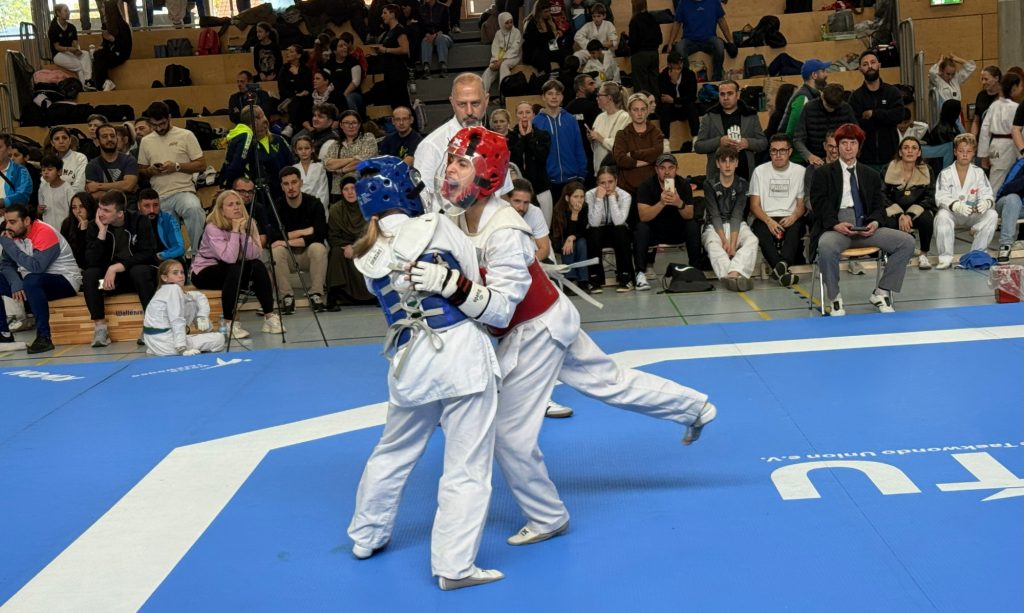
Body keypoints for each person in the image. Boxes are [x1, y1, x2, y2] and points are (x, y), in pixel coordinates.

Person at [424, 126, 716, 550]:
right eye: (451, 161)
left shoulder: (505, 230)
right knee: (610, 381)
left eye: (462, 164)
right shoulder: (460, 216)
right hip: (548, 316)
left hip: (535, 329)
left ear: (487, 174)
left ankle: (547, 516)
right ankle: (697, 407)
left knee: (508, 434)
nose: (451, 171)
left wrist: (452, 285)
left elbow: (502, 307)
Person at [346, 156, 504, 592]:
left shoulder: (365, 254)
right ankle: (454, 566)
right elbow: (473, 285)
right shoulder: (438, 225)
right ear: (406, 191)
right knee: (466, 466)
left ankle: (365, 536)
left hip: (410, 362)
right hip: (458, 355)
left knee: (392, 451)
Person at [810, 123, 916, 315]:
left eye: (853, 143)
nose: (848, 147)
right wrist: (835, 224)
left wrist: (875, 222)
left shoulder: (871, 175)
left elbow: (879, 206)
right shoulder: (822, 173)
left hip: (866, 227)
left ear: (859, 146)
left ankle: (882, 291)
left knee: (907, 242)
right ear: (837, 145)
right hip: (836, 228)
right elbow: (819, 206)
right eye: (844, 143)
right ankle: (834, 298)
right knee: (825, 246)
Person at [191, 190, 283, 339]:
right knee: (233, 268)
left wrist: (243, 232)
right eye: (230, 205)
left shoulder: (249, 222)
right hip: (205, 271)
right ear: (221, 209)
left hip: (233, 268)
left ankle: (270, 317)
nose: (236, 207)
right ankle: (229, 323)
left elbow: (253, 255)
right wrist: (235, 231)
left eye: (238, 203)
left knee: (258, 265)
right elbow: (228, 258)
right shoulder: (212, 227)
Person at [415, 73, 514, 203]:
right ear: (452, 103)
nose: (469, 111)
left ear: (486, 100)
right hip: (448, 220)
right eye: (462, 104)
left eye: (475, 103)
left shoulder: (494, 143)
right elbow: (422, 201)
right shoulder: (432, 146)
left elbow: (503, 194)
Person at [0, 204, 82, 353]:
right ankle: (3, 334)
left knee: (32, 279)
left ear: (26, 221)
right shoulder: (13, 235)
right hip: (34, 284)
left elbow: (37, 267)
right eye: (6, 221)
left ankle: (44, 338)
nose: (8, 226)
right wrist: (15, 282)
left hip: (65, 280)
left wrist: (9, 246)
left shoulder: (44, 232)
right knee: (20, 280)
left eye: (12, 222)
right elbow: (5, 264)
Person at [83, 190, 159, 347]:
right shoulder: (94, 226)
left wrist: (118, 266)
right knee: (91, 276)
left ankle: (150, 325)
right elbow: (91, 261)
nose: (101, 214)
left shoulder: (139, 221)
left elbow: (148, 253)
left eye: (106, 210)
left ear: (120, 213)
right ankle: (100, 328)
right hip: (110, 284)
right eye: (100, 208)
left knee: (140, 271)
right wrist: (102, 233)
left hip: (136, 280)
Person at [137, 103, 207, 259]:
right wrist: (151, 171)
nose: (159, 128)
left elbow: (202, 164)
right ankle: (176, 263)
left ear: (169, 118)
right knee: (167, 233)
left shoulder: (186, 135)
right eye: (154, 125)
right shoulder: (146, 141)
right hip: (160, 195)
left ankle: (199, 255)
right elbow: (141, 170)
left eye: (162, 123)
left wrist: (176, 166)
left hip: (183, 190)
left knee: (194, 208)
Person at [633, 153, 704, 286]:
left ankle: (696, 270)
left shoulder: (683, 185)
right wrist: (661, 203)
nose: (667, 172)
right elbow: (643, 216)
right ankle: (640, 273)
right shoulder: (646, 186)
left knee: (693, 225)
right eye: (662, 168)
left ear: (676, 169)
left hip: (677, 230)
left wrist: (679, 203)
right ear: (656, 169)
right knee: (641, 228)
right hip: (655, 231)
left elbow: (689, 214)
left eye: (671, 168)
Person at [933, 133, 998, 269]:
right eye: (961, 151)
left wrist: (986, 203)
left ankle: (976, 254)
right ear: (955, 152)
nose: (964, 154)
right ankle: (945, 258)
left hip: (972, 214)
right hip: (953, 213)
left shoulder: (978, 173)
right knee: (941, 216)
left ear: (974, 153)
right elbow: (940, 196)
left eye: (968, 151)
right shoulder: (945, 173)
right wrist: (955, 205)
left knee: (992, 215)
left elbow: (988, 194)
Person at [749, 134, 806, 286]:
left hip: (791, 215)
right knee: (761, 232)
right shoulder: (759, 171)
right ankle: (782, 270)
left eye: (782, 150)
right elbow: (754, 205)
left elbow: (801, 204)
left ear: (790, 152)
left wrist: (793, 217)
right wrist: (768, 221)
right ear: (770, 152)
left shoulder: (800, 171)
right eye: (774, 151)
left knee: (795, 230)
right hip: (766, 215)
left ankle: (780, 267)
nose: (778, 155)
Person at [269, 167, 329, 313]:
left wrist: (285, 240)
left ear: (301, 183)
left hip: (307, 254)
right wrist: (305, 232)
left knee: (318, 248)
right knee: (275, 250)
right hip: (288, 256)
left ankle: (316, 294)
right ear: (282, 187)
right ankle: (287, 297)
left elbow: (320, 234)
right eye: (286, 184)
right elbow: (272, 236)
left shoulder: (314, 203)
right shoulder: (276, 206)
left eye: (294, 182)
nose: (291, 187)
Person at [142, 260, 224, 357]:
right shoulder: (173, 289)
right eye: (175, 273)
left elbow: (199, 296)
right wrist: (182, 348)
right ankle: (205, 335)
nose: (181, 276)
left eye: (182, 272)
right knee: (219, 338)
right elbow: (177, 320)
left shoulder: (163, 291)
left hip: (153, 344)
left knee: (193, 301)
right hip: (168, 345)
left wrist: (202, 316)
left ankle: (207, 332)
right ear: (164, 277)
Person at [703, 145, 757, 291]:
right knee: (714, 245)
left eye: (731, 160)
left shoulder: (742, 184)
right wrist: (724, 240)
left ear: (737, 163)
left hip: (737, 224)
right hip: (714, 226)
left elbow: (737, 215)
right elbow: (714, 215)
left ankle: (732, 274)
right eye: (723, 161)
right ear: (717, 163)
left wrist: (732, 244)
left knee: (752, 240)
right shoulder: (709, 184)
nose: (727, 165)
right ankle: (735, 277)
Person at [534, 80, 588, 223]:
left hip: (572, 179)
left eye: (557, 94)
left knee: (573, 222)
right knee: (552, 223)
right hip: (549, 181)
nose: (554, 97)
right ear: (543, 97)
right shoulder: (536, 122)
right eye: (550, 94)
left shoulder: (570, 119)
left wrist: (581, 174)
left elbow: (579, 147)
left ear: (562, 97)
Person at [848, 50, 910, 173]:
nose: (870, 66)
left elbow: (899, 115)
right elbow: (854, 125)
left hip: (891, 158)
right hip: (865, 159)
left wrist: (874, 114)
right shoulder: (856, 97)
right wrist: (885, 118)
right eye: (865, 64)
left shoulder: (892, 92)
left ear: (879, 65)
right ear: (860, 69)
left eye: (873, 62)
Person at [694, 81, 768, 182]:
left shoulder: (751, 116)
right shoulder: (709, 117)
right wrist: (719, 141)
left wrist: (747, 143)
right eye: (722, 94)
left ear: (737, 95)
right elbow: (698, 146)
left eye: (730, 93)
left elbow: (763, 143)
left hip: (746, 175)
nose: (725, 98)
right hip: (717, 178)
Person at [220, 105, 296, 204]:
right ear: (252, 124)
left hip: (283, 194)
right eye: (261, 120)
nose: (265, 124)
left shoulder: (279, 140)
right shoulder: (245, 143)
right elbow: (234, 168)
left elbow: (292, 164)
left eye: (265, 122)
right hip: (256, 198)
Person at [881, 136, 936, 270]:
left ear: (919, 152)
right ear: (900, 152)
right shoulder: (888, 168)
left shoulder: (927, 170)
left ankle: (923, 255)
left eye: (914, 148)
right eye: (906, 148)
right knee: (888, 221)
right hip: (894, 211)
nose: (910, 151)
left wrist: (909, 215)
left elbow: (929, 197)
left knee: (927, 219)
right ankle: (893, 255)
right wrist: (900, 214)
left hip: (916, 212)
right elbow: (882, 196)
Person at [326, 176, 375, 308]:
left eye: (353, 188)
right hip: (345, 246)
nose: (350, 192)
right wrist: (347, 246)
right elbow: (332, 236)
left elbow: (374, 233)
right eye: (346, 189)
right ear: (341, 192)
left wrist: (358, 247)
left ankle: (375, 294)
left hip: (366, 244)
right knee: (336, 252)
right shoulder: (336, 210)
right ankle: (335, 296)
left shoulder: (368, 207)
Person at [584, 166, 633, 292]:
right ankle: (595, 280)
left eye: (610, 182)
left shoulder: (625, 195)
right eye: (602, 183)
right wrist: (599, 198)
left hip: (617, 232)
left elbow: (618, 221)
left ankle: (625, 278)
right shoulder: (589, 194)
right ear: (597, 183)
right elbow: (594, 223)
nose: (607, 186)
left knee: (621, 230)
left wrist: (612, 198)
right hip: (598, 233)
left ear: (616, 181)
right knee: (593, 232)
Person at [612, 93, 665, 198]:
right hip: (627, 189)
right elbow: (620, 159)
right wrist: (648, 160)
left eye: (643, 109)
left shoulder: (656, 132)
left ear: (647, 111)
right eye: (635, 110)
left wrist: (632, 154)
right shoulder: (622, 134)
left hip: (652, 188)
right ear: (629, 112)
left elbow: (657, 153)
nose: (639, 113)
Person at [665, 0, 732, 82]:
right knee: (679, 47)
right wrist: (670, 43)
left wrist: (730, 41)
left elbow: (721, 20)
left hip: (709, 39)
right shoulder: (683, 3)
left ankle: (717, 77)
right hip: (690, 40)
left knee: (719, 45)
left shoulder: (714, 2)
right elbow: (677, 23)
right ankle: (688, 78)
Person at [793, 84, 858, 167]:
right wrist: (809, 156)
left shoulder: (846, 109)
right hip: (816, 161)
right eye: (828, 105)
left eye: (834, 107)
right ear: (822, 96)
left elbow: (856, 136)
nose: (830, 109)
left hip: (842, 161)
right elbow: (798, 139)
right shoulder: (809, 108)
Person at [978, 73, 1022, 194]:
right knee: (1001, 181)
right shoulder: (1016, 107)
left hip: (996, 144)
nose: (1021, 89)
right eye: (1020, 86)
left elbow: (984, 131)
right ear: (1014, 88)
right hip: (1010, 145)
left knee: (997, 178)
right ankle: (991, 209)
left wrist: (984, 155)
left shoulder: (994, 106)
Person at [508, 102, 554, 216]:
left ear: (533, 115)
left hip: (541, 188)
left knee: (544, 226)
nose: (524, 116)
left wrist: (528, 138)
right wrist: (523, 139)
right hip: (519, 192)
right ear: (516, 116)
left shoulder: (543, 135)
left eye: (528, 112)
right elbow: (513, 158)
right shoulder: (510, 137)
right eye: (520, 113)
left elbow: (542, 157)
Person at [781, 58, 831, 163]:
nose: (827, 74)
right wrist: (804, 156)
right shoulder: (803, 97)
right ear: (814, 75)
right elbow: (792, 131)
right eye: (823, 71)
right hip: (800, 159)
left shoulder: (812, 95)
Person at [323, 111, 379, 198]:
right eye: (346, 123)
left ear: (359, 124)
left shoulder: (368, 138)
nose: (350, 126)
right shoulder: (335, 144)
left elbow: (362, 162)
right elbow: (328, 165)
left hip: (364, 189)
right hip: (339, 191)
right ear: (341, 125)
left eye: (354, 122)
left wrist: (341, 170)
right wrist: (352, 159)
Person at [366, 5, 411, 111]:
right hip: (390, 72)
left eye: (385, 13)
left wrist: (386, 50)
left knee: (402, 103)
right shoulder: (388, 32)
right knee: (395, 104)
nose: (382, 16)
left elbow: (405, 49)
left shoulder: (399, 30)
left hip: (398, 72)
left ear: (393, 14)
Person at [85, 123, 139, 206]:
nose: (110, 139)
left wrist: (99, 186)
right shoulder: (92, 165)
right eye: (105, 136)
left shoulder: (129, 160)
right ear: (98, 141)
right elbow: (93, 193)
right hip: (104, 209)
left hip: (128, 209)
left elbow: (128, 185)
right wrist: (122, 188)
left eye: (113, 136)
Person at [550, 180, 589, 290]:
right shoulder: (559, 210)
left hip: (577, 239)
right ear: (567, 198)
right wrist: (575, 214)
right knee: (570, 244)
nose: (579, 200)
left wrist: (572, 237)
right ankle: (569, 279)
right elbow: (562, 234)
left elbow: (584, 230)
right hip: (561, 241)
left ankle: (583, 280)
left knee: (581, 242)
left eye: (582, 196)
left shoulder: (585, 207)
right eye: (575, 196)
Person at [657, 52, 699, 147]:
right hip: (671, 110)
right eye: (676, 63)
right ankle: (665, 140)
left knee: (691, 106)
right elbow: (663, 98)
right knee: (665, 108)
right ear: (669, 64)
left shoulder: (689, 74)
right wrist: (673, 83)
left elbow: (691, 96)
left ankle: (696, 138)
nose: (679, 65)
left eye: (680, 62)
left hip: (685, 108)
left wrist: (674, 100)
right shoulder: (663, 76)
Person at [89, 0, 132, 93]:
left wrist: (113, 39)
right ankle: (104, 82)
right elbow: (105, 43)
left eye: (103, 7)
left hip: (121, 53)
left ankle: (100, 85)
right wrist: (102, 46)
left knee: (100, 57)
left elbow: (126, 45)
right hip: (111, 51)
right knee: (97, 54)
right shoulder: (106, 25)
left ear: (110, 10)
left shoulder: (123, 25)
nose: (102, 9)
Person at [48, 5, 93, 90]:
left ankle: (88, 80)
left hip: (70, 52)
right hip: (58, 54)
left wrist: (77, 50)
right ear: (58, 13)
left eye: (68, 10)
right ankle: (84, 88)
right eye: (65, 11)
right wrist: (69, 49)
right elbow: (57, 47)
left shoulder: (71, 27)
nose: (68, 12)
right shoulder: (53, 28)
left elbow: (75, 42)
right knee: (78, 64)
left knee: (86, 54)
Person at [507, 178, 552, 262]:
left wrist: (524, 265)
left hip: (529, 260)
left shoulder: (535, 212)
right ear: (507, 199)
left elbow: (545, 250)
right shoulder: (498, 212)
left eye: (526, 202)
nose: (521, 207)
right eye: (517, 201)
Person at [137, 189, 185, 265]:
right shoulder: (133, 221)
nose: (152, 210)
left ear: (160, 204)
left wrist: (161, 255)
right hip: (141, 262)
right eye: (147, 206)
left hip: (163, 259)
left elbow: (179, 248)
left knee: (178, 261)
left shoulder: (168, 219)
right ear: (139, 206)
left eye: (155, 205)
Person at [628, 0, 662, 100]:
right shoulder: (653, 18)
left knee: (641, 86)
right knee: (654, 84)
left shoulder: (634, 20)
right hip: (654, 54)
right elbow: (660, 39)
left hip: (640, 55)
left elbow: (633, 42)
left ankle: (643, 111)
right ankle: (656, 110)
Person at [277, 45, 314, 138]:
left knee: (302, 101)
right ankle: (293, 126)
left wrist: (297, 75)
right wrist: (296, 94)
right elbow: (282, 88)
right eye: (287, 51)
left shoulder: (305, 70)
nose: (288, 53)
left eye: (291, 51)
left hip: (303, 100)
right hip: (288, 99)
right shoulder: (284, 69)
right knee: (298, 100)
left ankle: (291, 127)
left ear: (299, 55)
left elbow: (308, 88)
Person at [929, 55, 975, 126]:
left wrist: (957, 59)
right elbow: (932, 72)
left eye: (952, 74)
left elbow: (971, 67)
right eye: (948, 74)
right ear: (941, 70)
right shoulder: (936, 81)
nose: (950, 76)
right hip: (942, 118)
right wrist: (940, 62)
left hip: (957, 116)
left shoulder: (955, 79)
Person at [483, 12, 522, 94]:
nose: (510, 24)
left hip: (513, 57)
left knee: (504, 65)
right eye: (507, 23)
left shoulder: (516, 32)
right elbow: (495, 48)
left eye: (511, 22)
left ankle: (504, 93)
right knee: (489, 70)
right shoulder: (498, 33)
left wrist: (502, 61)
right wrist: (495, 61)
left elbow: (515, 49)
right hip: (500, 58)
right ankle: (482, 93)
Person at [325, 38, 364, 116]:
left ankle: (353, 121)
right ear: (334, 51)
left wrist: (343, 95)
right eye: (341, 46)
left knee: (348, 99)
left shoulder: (353, 61)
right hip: (335, 94)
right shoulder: (330, 63)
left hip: (352, 94)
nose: (345, 47)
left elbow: (355, 82)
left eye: (345, 45)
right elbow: (324, 79)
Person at [44, 127, 88, 194]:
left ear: (70, 140)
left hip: (73, 199)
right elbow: (45, 185)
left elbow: (79, 186)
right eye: (57, 139)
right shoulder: (48, 160)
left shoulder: (80, 158)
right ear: (52, 143)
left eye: (64, 138)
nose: (61, 141)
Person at [522, 0, 561, 75]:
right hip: (534, 50)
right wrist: (548, 37)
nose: (548, 14)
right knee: (543, 58)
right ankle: (545, 79)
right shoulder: (531, 22)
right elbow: (532, 42)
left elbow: (552, 39)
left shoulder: (550, 20)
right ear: (539, 12)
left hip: (548, 46)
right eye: (545, 12)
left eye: (549, 11)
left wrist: (558, 35)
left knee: (562, 53)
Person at [292, 136, 329, 214]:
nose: (303, 151)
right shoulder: (293, 169)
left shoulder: (320, 167)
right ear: (295, 151)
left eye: (306, 148)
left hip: (318, 209)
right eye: (300, 149)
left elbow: (323, 191)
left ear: (312, 149)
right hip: (299, 210)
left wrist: (317, 209)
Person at [37, 155, 76, 230]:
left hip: (64, 229)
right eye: (43, 170)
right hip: (48, 229)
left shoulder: (67, 189)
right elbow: (40, 207)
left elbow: (72, 211)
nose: (46, 173)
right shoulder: (42, 187)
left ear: (59, 171)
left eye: (50, 169)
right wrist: (39, 210)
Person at [59, 191, 96, 268]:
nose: (78, 211)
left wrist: (84, 230)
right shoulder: (67, 224)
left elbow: (88, 258)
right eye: (74, 207)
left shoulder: (98, 224)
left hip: (90, 267)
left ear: (89, 206)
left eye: (82, 206)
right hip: (71, 266)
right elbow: (65, 253)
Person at [419, 0, 453, 77]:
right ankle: (426, 67)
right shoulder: (421, 9)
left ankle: (443, 66)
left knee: (441, 39)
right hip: (428, 35)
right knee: (425, 40)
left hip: (442, 34)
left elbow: (445, 28)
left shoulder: (444, 7)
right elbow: (421, 27)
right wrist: (427, 34)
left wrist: (435, 35)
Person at [0, 135, 34, 210]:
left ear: (9, 149)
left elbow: (22, 196)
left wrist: (3, 203)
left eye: (0, 147)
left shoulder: (20, 171)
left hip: (11, 220)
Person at [970, 65, 1003, 138]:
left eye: (986, 79)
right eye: (982, 79)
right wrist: (972, 139)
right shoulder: (981, 95)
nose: (983, 82)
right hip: (983, 138)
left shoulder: (1004, 96)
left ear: (996, 78)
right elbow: (976, 121)